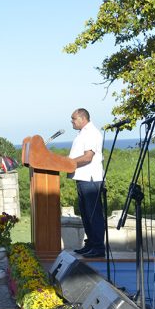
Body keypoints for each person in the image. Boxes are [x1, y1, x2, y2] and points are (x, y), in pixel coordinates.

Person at [68, 108, 106, 259]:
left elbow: (87, 157)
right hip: (82, 178)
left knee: (93, 214)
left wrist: (67, 163)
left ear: (83, 118)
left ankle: (98, 247)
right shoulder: (83, 133)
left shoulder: (91, 133)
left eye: (74, 119)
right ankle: (90, 244)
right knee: (85, 213)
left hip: (91, 179)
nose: (72, 121)